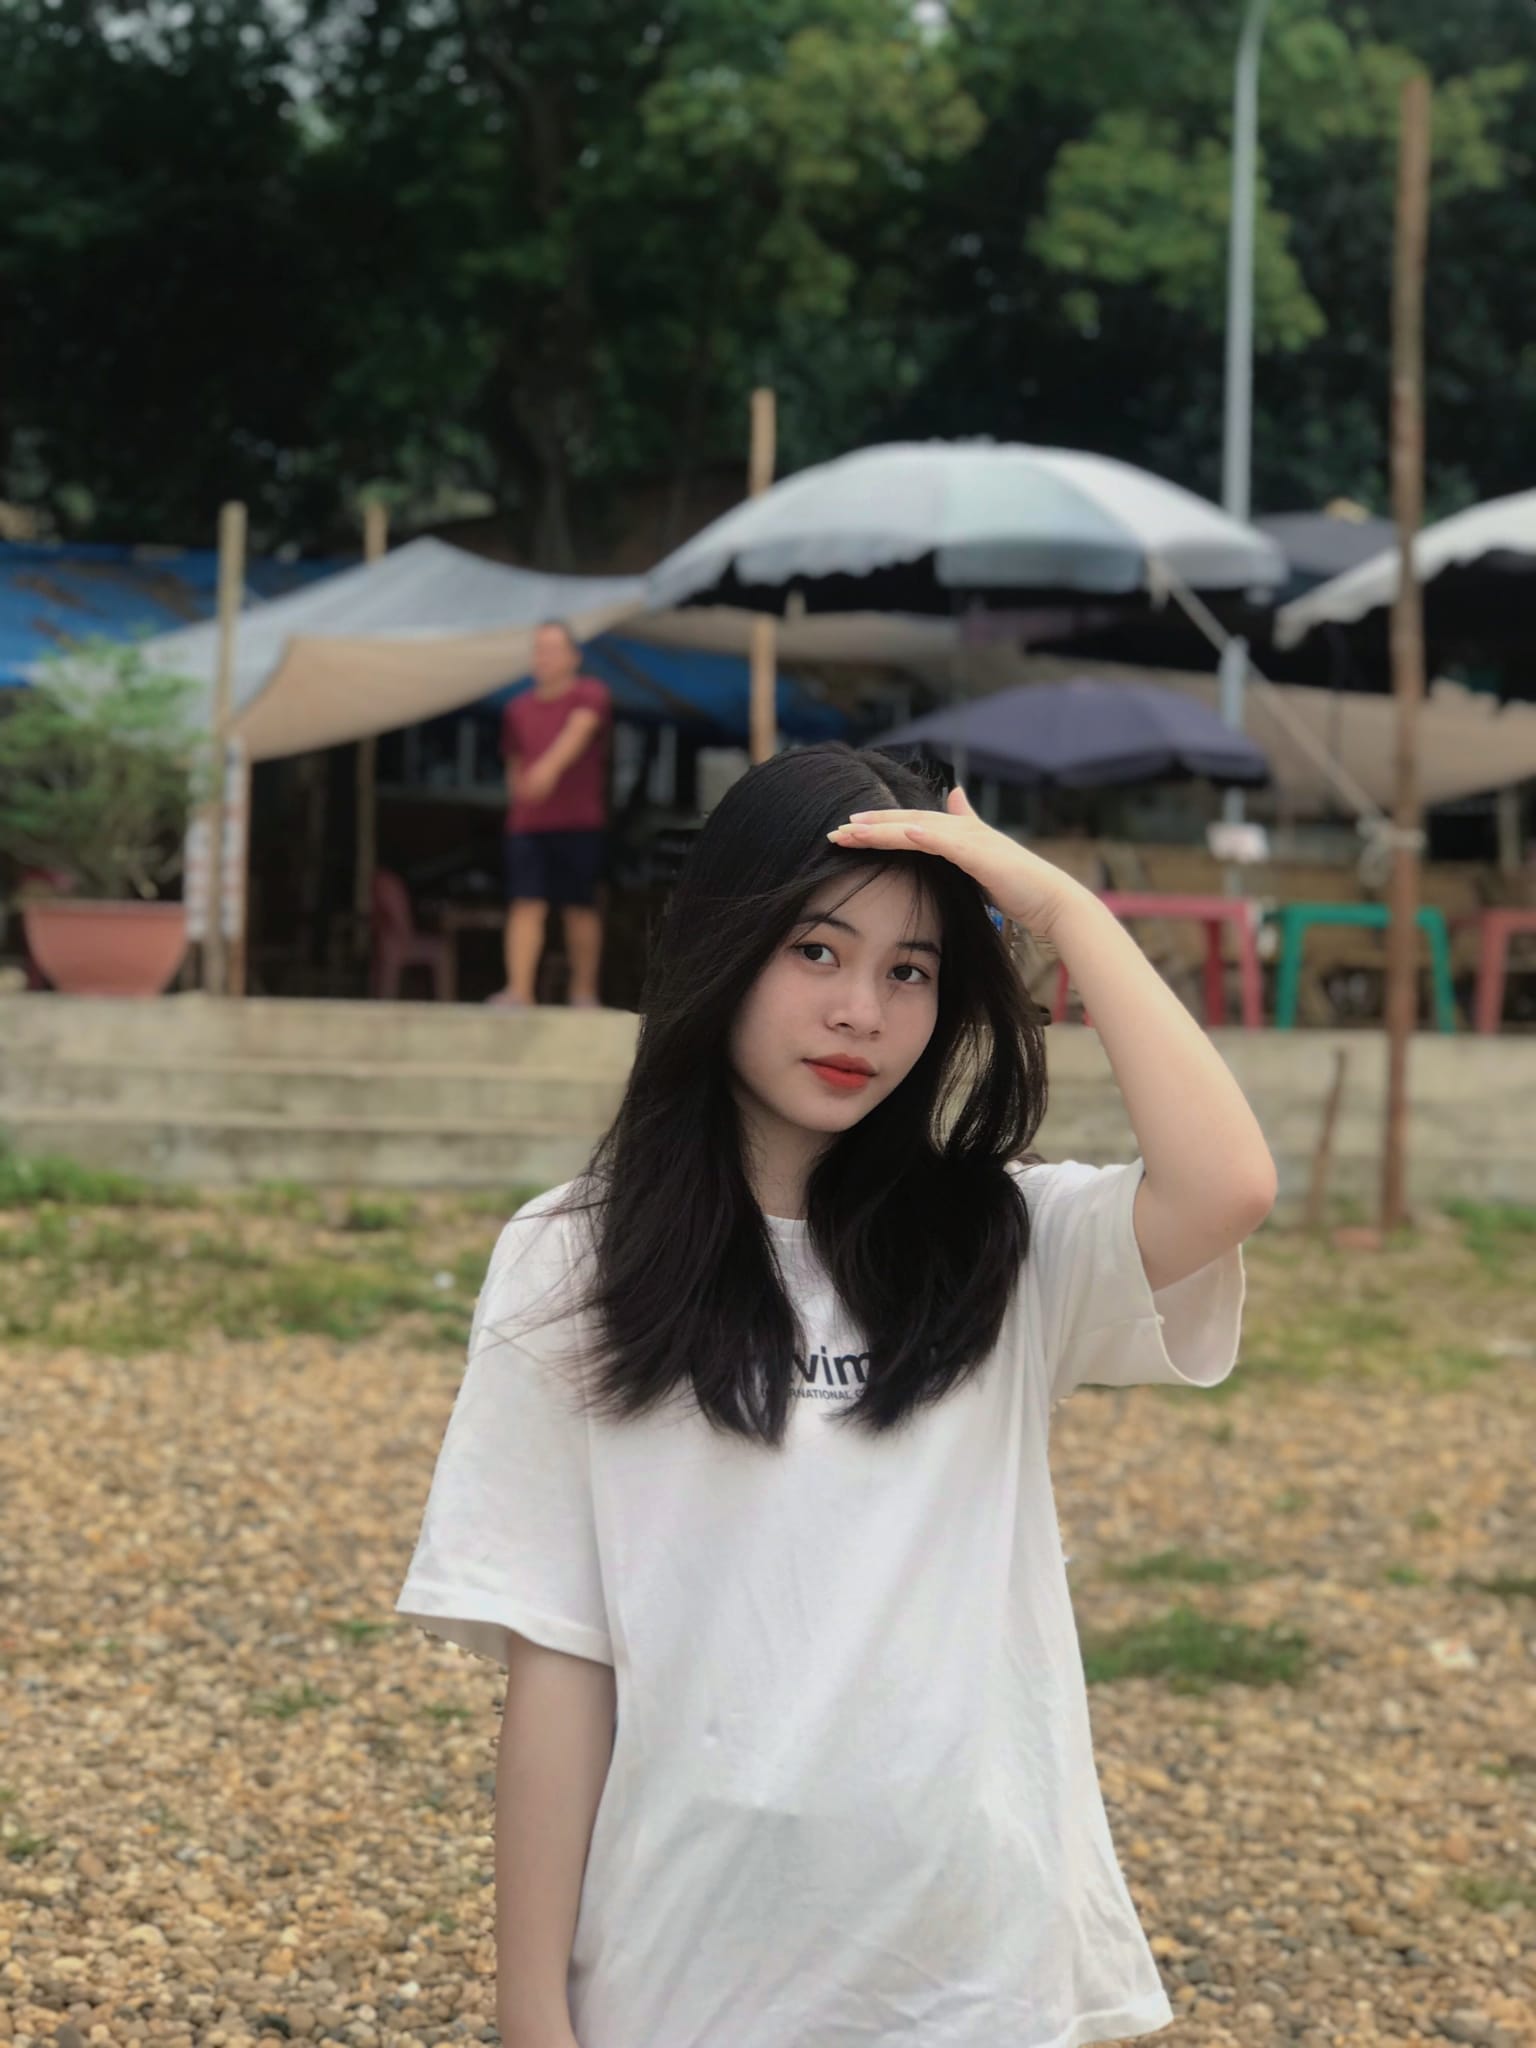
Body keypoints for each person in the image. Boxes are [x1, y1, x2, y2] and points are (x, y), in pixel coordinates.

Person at [396, 742, 1277, 2048]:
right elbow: (560, 1660)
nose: (861, 1010)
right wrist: (533, 2009)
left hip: (972, 1972)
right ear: (725, 944)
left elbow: (1228, 1185)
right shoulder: (574, 1257)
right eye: (818, 950)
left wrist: (1061, 907)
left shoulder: (1002, 1243)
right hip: (682, 1968)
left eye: (909, 970)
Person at [490, 620, 613, 1008]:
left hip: (579, 822)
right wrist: (520, 794)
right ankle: (519, 991)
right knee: (525, 903)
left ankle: (584, 993)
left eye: (553, 649)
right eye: (539, 649)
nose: (544, 657)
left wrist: (546, 770)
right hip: (527, 825)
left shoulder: (590, 694)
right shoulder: (517, 708)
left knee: (579, 908)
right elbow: (513, 760)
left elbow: (578, 732)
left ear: (574, 656)